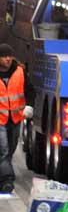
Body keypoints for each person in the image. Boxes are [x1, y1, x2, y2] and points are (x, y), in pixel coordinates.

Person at [0, 43, 34, 193]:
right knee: (4, 149)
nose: (8, 59)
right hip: (0, 119)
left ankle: (3, 171)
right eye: (4, 56)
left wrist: (29, 106)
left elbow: (30, 91)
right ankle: (7, 180)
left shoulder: (20, 72)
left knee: (12, 147)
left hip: (14, 118)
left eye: (9, 56)